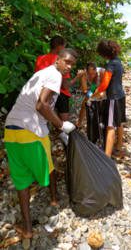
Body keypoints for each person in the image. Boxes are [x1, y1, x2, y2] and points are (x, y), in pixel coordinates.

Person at [4, 49, 77, 239]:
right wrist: (61, 124)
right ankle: (54, 200)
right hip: (31, 133)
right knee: (48, 165)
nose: (69, 67)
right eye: (66, 62)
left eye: (72, 65)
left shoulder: (41, 74)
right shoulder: (54, 75)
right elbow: (41, 105)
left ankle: (27, 229)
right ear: (58, 60)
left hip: (11, 132)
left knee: (21, 180)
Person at [35, 36, 83, 144]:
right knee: (64, 124)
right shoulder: (62, 61)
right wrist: (77, 77)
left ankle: (44, 138)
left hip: (41, 92)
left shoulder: (40, 58)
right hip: (60, 94)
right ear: (60, 46)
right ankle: (65, 140)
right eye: (64, 47)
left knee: (43, 119)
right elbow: (65, 86)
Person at [91, 40, 126, 157]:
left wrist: (93, 95)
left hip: (113, 98)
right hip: (121, 95)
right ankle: (118, 147)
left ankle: (106, 157)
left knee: (110, 126)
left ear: (104, 53)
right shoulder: (118, 61)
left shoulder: (111, 64)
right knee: (119, 122)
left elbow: (104, 84)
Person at [76, 62, 105, 128]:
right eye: (89, 74)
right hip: (93, 87)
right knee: (85, 103)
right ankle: (79, 123)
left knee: (101, 101)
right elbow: (85, 90)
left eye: (93, 74)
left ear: (96, 70)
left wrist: (95, 94)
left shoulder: (101, 72)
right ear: (86, 71)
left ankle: (102, 122)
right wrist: (90, 96)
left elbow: (103, 88)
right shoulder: (84, 75)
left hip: (103, 88)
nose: (92, 76)